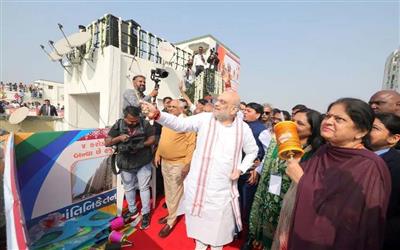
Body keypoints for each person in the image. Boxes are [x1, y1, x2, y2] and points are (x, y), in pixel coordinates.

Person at [140, 91, 259, 250]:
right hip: (197, 187)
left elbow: (252, 151)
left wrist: (241, 169)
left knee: (217, 234)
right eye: (217, 100)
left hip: (221, 190)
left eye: (222, 102)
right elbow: (179, 124)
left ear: (233, 110)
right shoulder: (204, 118)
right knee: (199, 230)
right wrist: (157, 114)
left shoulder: (243, 129)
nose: (216, 103)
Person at [286, 98, 391, 250]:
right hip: (302, 236)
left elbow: (352, 219)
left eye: (339, 119)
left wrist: (302, 181)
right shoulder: (324, 151)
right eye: (328, 116)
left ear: (360, 132)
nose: (328, 121)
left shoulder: (370, 166)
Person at [271, 108, 324, 250]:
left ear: (313, 129)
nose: (293, 125)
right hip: (272, 198)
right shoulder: (279, 142)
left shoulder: (314, 154)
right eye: (293, 121)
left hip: (292, 205)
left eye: (300, 123)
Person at [104, 106, 155, 230]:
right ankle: (132, 210)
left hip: (143, 161)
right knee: (128, 188)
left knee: (143, 188)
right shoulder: (119, 124)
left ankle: (146, 213)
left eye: (136, 120)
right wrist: (119, 138)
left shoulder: (145, 123)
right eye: (130, 121)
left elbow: (152, 139)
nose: (134, 123)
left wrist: (140, 145)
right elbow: (107, 142)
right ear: (124, 117)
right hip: (125, 162)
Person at [155, 99, 196, 238]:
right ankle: (172, 214)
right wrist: (158, 153)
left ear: (182, 109)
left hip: (178, 163)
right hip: (165, 162)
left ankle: (171, 221)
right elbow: (162, 139)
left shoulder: (187, 123)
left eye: (173, 107)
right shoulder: (168, 120)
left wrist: (187, 164)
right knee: (169, 190)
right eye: (169, 106)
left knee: (175, 192)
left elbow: (191, 144)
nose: (170, 108)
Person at [238, 102, 270, 237]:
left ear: (258, 114)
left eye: (249, 111)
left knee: (248, 205)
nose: (245, 113)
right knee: (237, 202)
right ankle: (237, 229)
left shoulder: (262, 130)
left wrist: (258, 169)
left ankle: (249, 235)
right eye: (245, 110)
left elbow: (268, 153)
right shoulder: (240, 125)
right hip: (237, 171)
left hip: (250, 174)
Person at [369, 113, 400, 250]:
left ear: (394, 138)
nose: (367, 131)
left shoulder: (395, 166)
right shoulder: (359, 157)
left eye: (374, 128)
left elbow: (389, 207)